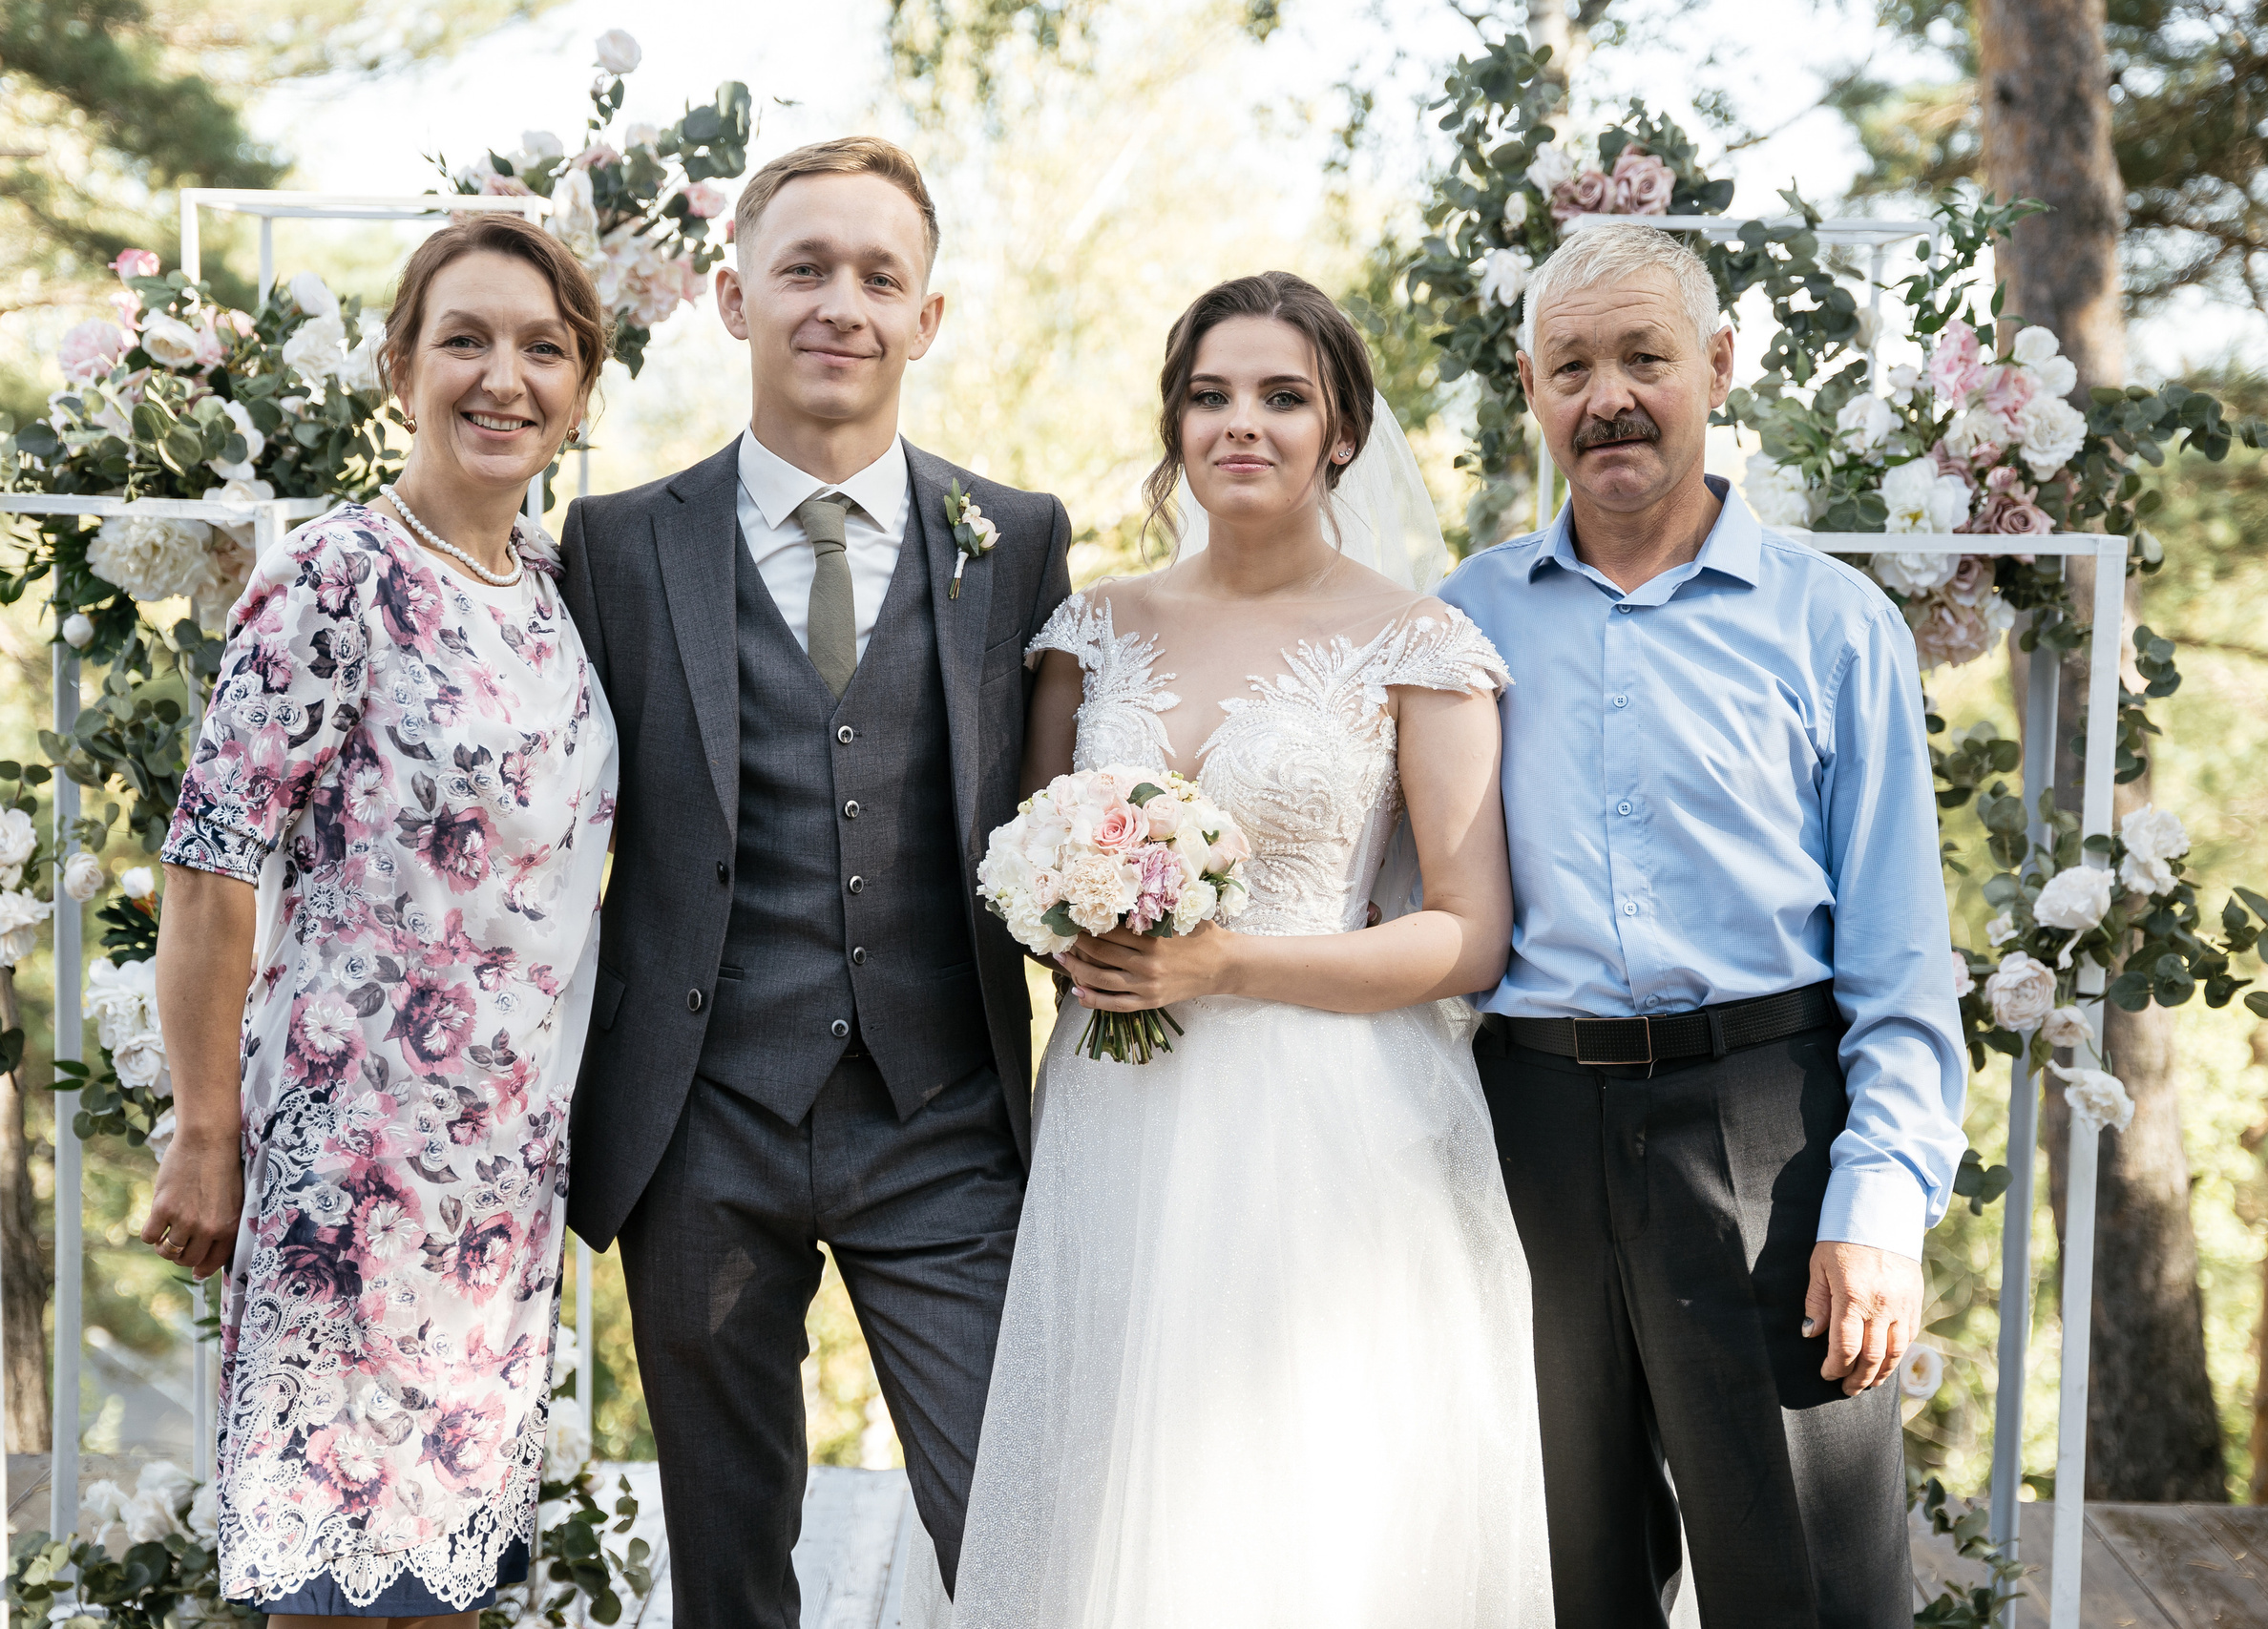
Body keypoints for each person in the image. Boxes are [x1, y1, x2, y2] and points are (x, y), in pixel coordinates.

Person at [949, 272, 1553, 1627]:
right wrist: (1087, 928)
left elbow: (1467, 935)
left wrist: (1224, 968)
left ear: (1341, 431)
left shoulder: (1421, 645)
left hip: (1332, 1128)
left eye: (1284, 397)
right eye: (1211, 395)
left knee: (1315, 1503)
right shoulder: (1089, 633)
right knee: (1125, 1484)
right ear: (1175, 424)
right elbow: (1032, 873)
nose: (1244, 424)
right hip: (1123, 1110)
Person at [553, 136, 1072, 1626]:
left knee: (1017, 1527)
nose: (840, 304)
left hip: (945, 1123)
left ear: (928, 317)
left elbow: (1056, 797)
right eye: (804, 269)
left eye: (877, 276)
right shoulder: (617, 545)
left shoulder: (1017, 538)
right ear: (732, 298)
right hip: (700, 1125)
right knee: (726, 1564)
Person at [1438, 221, 1967, 1627]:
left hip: (1767, 1136)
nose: (1608, 396)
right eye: (1572, 366)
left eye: (1644, 358)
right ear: (1533, 390)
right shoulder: (1462, 624)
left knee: (1809, 1587)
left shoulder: (1834, 626)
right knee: (1559, 1578)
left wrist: (1881, 1207)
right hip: (1526, 1139)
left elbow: (1904, 958)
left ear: (1718, 367)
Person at [144, 212, 620, 1626]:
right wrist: (207, 1132)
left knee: (454, 1591)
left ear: (582, 386)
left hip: (504, 1184)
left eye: (543, 349)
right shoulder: (333, 577)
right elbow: (208, 867)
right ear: (397, 368)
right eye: (464, 340)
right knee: (349, 1596)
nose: (504, 378)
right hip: (351, 1180)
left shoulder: (548, 593)